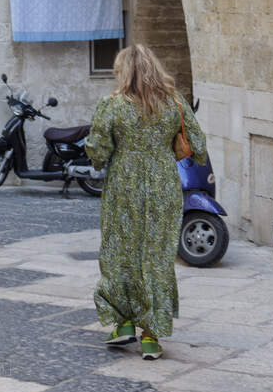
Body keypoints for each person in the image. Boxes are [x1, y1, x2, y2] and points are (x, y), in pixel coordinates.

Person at [86, 45, 208, 361]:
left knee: (119, 254)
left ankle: (124, 322)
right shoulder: (175, 103)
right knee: (156, 256)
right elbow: (198, 146)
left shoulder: (111, 106)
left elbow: (97, 153)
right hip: (163, 187)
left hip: (123, 189)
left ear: (123, 72)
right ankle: (151, 336)